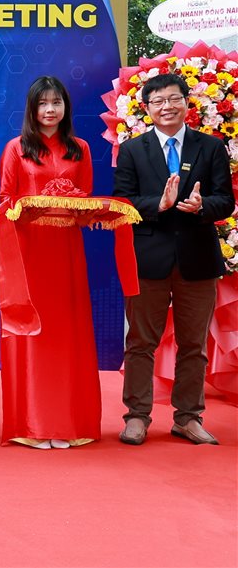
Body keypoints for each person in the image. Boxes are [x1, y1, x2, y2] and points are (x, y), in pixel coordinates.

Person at [113, 72, 234, 446]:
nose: (166, 106)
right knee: (140, 342)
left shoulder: (210, 147)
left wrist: (202, 206)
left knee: (193, 345)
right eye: (158, 101)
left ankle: (188, 417)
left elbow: (225, 200)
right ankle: (137, 416)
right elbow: (123, 201)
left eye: (173, 99)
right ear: (147, 108)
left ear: (186, 102)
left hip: (197, 258)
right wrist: (159, 204)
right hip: (148, 258)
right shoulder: (132, 150)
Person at [0, 76, 101, 449]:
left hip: (67, 250)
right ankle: (32, 424)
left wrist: (91, 211)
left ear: (65, 107)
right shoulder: (16, 148)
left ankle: (68, 423)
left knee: (67, 333)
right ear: (32, 109)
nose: (50, 109)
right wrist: (30, 208)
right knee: (33, 334)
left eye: (56, 102)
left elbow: (85, 202)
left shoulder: (80, 148)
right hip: (30, 250)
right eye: (43, 103)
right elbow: (5, 201)